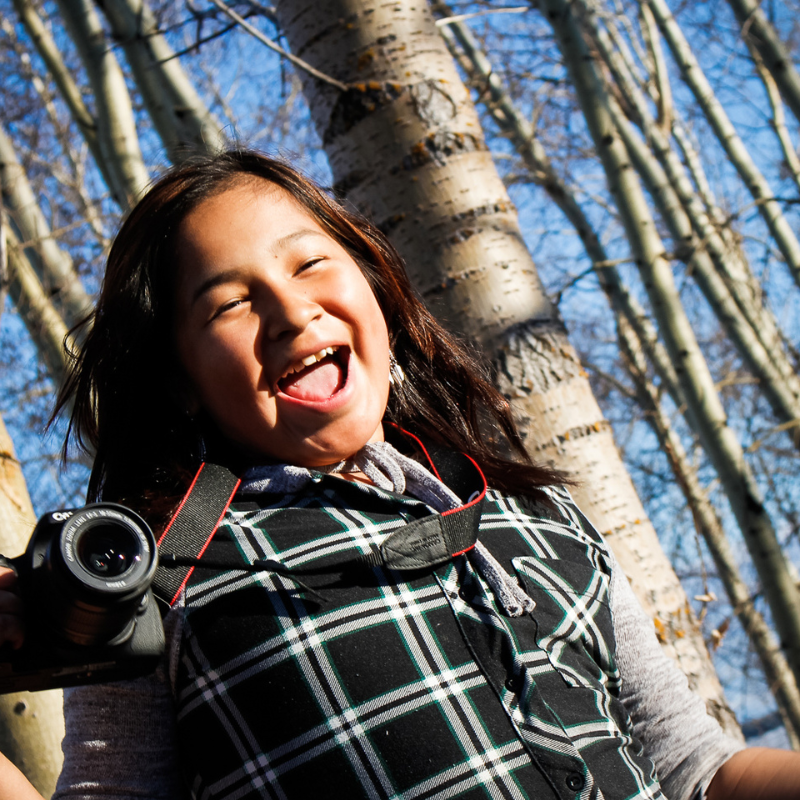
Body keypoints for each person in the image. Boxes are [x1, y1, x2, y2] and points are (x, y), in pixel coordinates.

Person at [0, 149, 798, 799]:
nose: (291, 311)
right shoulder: (163, 583)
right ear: (181, 381)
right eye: (229, 304)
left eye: (311, 263)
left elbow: (700, 771)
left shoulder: (539, 514)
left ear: (374, 285)